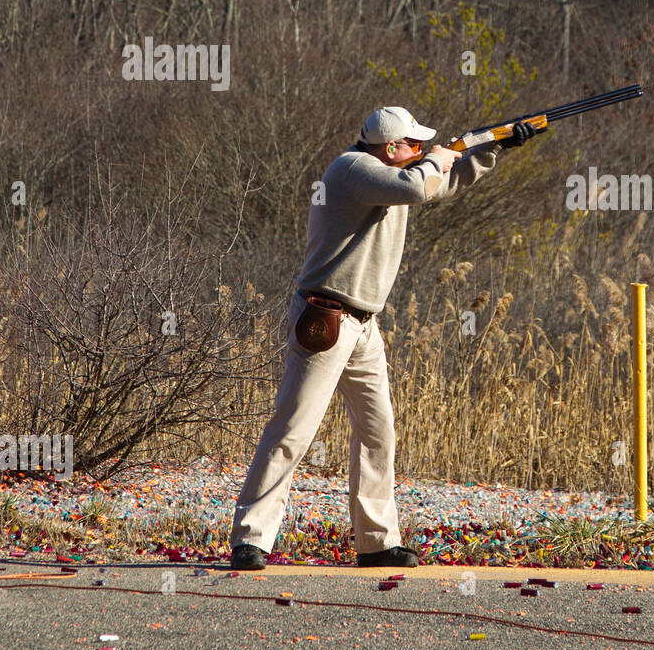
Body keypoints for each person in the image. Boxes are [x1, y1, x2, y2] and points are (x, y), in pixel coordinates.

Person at [229, 105, 542, 571]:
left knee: (378, 433)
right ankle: (251, 538)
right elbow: (419, 183)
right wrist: (437, 157)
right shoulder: (354, 169)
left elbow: (439, 184)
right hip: (326, 319)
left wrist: (493, 146)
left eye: (420, 146)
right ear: (391, 147)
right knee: (292, 431)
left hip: (364, 326)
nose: (419, 150)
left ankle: (376, 542)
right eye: (412, 145)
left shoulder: (391, 176)